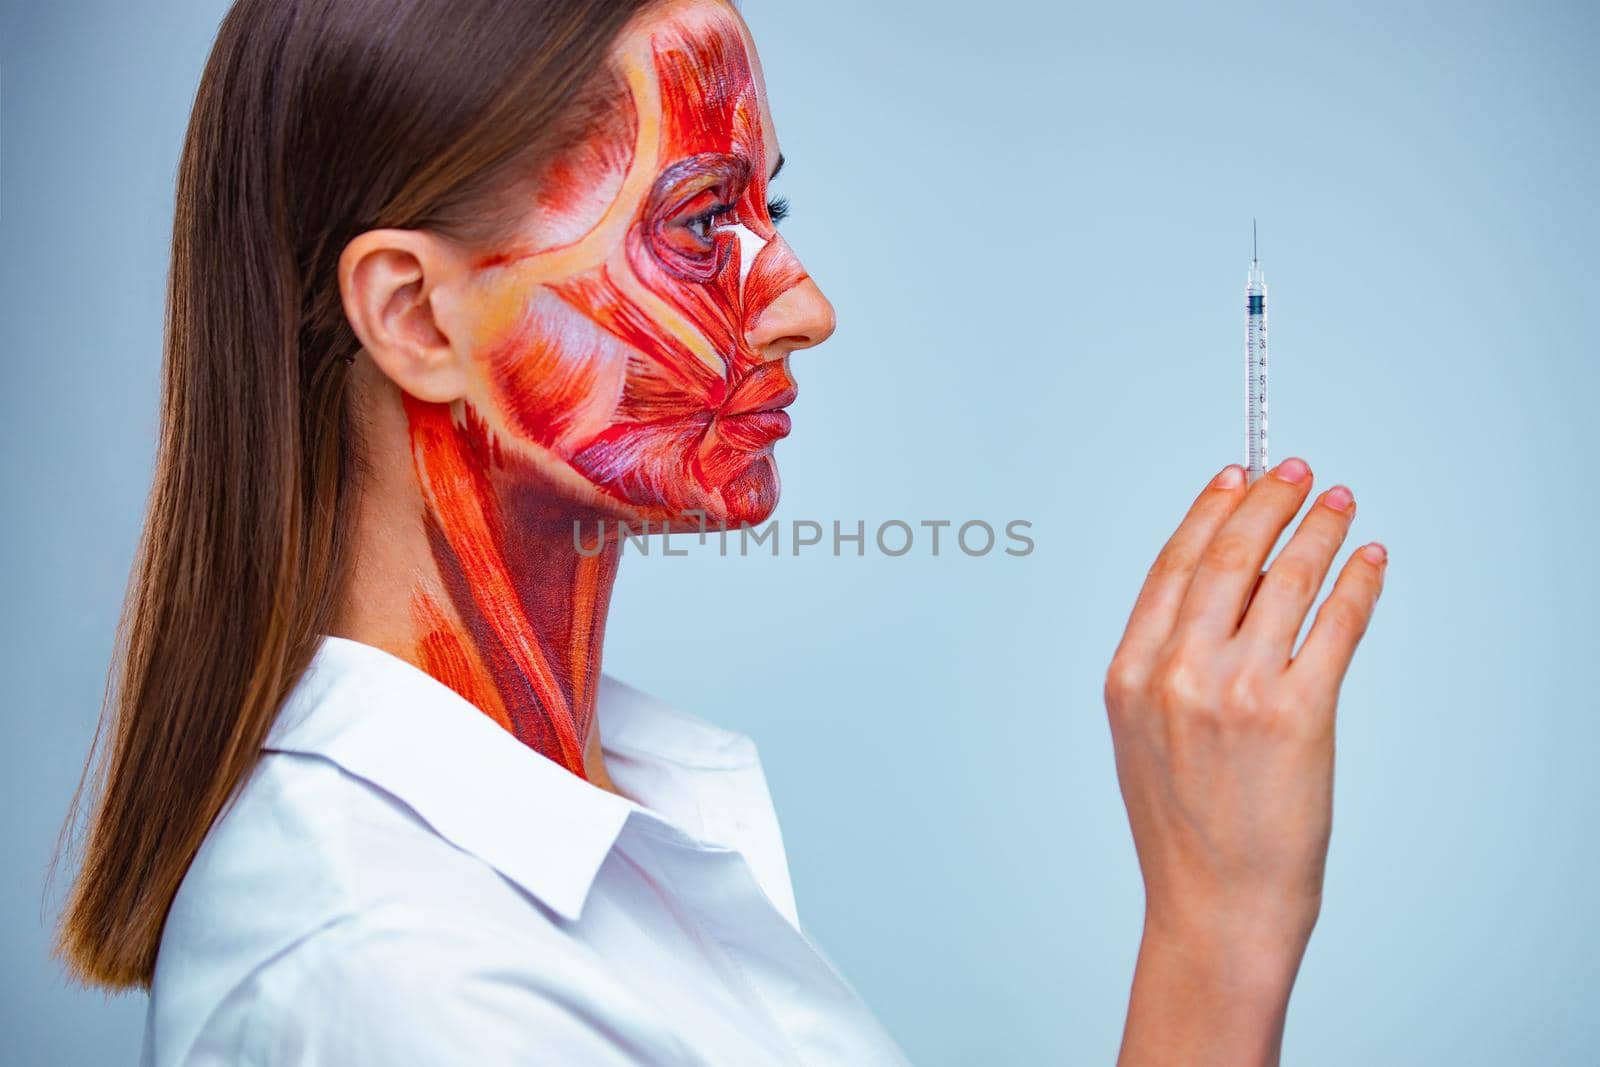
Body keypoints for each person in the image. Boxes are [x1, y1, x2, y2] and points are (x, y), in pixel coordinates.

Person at [56, 0, 1387, 1063]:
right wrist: (1216, 935)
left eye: (772, 211)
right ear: (415, 317)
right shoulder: (400, 991)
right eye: (701, 222)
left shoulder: (595, 820)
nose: (803, 305)